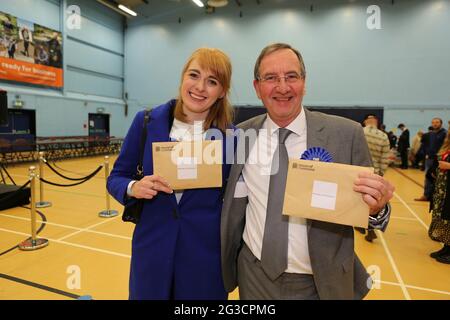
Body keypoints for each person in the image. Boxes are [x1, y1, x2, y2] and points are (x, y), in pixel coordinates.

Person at [221, 43, 394, 300]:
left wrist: (377, 208)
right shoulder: (240, 136)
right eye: (270, 78)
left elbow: (370, 212)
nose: (282, 87)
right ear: (257, 88)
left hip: (322, 283)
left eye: (291, 76)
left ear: (304, 82)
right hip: (254, 276)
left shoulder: (345, 135)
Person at [107, 48, 234, 299]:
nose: (200, 87)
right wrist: (134, 187)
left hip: (204, 260)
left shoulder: (230, 138)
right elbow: (117, 177)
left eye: (212, 82)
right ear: (182, 78)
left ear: (222, 92)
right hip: (152, 252)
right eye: (194, 75)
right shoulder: (145, 122)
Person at [355, 114, 390, 242]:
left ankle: (359, 224)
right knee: (371, 202)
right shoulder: (383, 136)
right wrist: (380, 174)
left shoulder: (359, 132)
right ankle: (370, 228)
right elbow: (385, 158)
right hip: (374, 174)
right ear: (376, 122)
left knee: (357, 201)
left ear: (365, 121)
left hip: (358, 172)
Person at [428, 131, 450, 264]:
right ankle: (447, 247)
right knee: (445, 219)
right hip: (444, 188)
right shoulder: (447, 146)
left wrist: (448, 166)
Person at [415, 118, 447, 201]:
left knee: (439, 179)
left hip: (440, 160)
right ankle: (426, 195)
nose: (435, 124)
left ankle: (437, 197)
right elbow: (425, 146)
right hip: (429, 159)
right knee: (428, 178)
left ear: (441, 123)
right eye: (433, 122)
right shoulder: (430, 134)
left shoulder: (445, 134)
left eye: (437, 122)